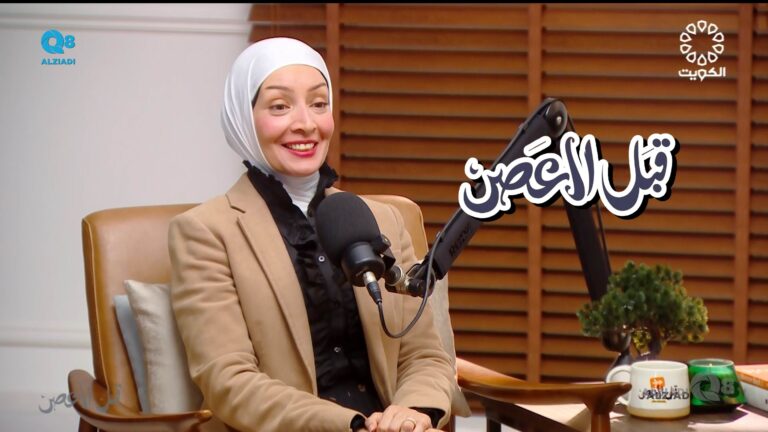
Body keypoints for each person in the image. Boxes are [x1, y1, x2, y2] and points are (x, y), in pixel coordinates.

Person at [168, 37, 455, 432]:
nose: (306, 123)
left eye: (319, 103)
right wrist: (354, 425)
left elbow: (423, 354)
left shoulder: (384, 219)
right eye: (280, 106)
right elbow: (229, 382)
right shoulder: (205, 232)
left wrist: (412, 413)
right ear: (243, 118)